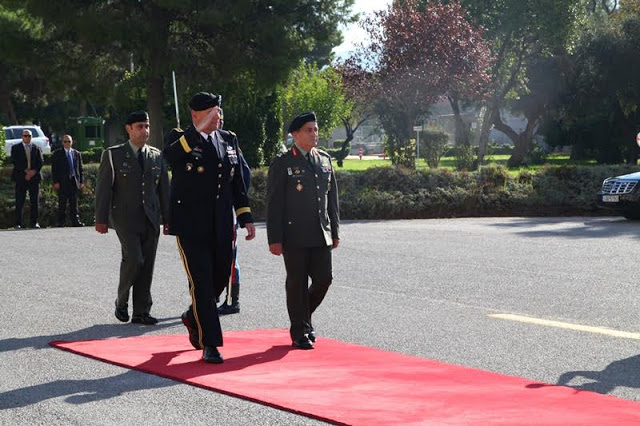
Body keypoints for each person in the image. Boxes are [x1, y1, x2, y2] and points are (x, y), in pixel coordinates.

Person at [164, 92, 255, 364]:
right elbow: (170, 157)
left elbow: (236, 181)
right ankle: (210, 343)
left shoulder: (228, 139)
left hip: (221, 223)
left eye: (218, 112)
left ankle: (193, 316)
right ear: (196, 115)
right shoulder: (179, 139)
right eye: (212, 114)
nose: (218, 118)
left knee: (218, 280)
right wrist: (198, 131)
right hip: (191, 225)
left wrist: (245, 216)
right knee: (201, 282)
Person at [266, 112, 340, 350]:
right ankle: (299, 331)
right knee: (296, 283)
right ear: (295, 134)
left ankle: (302, 319)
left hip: (321, 233)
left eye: (316, 129)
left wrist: (335, 231)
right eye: (309, 130)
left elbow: (332, 200)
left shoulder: (325, 160)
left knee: (324, 279)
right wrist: (275, 238)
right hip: (294, 234)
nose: (314, 134)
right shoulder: (283, 162)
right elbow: (274, 202)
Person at [94, 111, 170, 325]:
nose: (145, 131)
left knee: (147, 265)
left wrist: (168, 219)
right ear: (128, 129)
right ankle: (122, 299)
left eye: (147, 126)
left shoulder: (156, 155)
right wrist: (101, 219)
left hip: (151, 218)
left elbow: (164, 190)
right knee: (134, 259)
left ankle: (141, 312)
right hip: (125, 218)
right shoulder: (113, 154)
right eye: (139, 126)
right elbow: (104, 189)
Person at [217, 107, 252, 316]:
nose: (218, 122)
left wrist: (235, 201)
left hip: (227, 209)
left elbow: (243, 175)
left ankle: (232, 299)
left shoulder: (230, 144)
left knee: (230, 257)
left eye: (220, 118)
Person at [11, 129, 44, 229]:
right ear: (22, 137)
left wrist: (33, 171)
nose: (27, 138)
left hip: (34, 178)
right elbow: (15, 161)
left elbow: (41, 161)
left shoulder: (36, 148)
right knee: (20, 201)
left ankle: (34, 222)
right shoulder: (16, 148)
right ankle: (18, 223)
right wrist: (26, 171)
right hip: (21, 177)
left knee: (34, 201)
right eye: (25, 136)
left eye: (29, 136)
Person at [51, 134, 85, 227]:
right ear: (62, 143)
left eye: (69, 141)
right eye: (65, 141)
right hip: (62, 182)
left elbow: (80, 169)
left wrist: (81, 181)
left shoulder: (77, 153)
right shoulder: (57, 154)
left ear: (72, 142)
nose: (67, 143)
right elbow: (54, 169)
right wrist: (55, 182)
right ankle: (61, 221)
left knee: (74, 203)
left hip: (74, 181)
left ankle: (75, 221)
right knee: (62, 203)